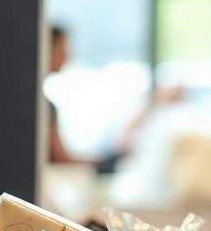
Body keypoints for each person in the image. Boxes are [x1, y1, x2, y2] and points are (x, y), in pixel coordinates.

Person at [47, 25, 181, 171]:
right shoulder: (42, 106)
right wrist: (106, 162)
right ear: (46, 48)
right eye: (63, 50)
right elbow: (61, 158)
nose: (67, 57)